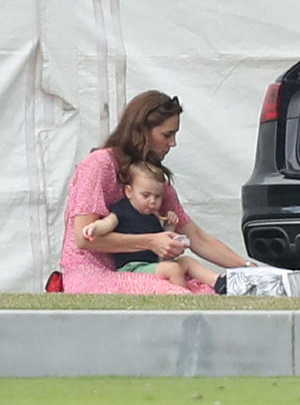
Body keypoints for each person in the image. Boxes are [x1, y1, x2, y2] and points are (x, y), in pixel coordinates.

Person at [58, 90, 251, 294]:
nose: (173, 143)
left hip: (139, 271)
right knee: (177, 294)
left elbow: (196, 237)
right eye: (167, 135)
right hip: (92, 274)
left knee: (206, 292)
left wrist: (248, 268)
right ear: (141, 131)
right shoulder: (99, 164)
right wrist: (151, 241)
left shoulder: (153, 180)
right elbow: (84, 238)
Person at [81, 161, 226, 292]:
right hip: (132, 268)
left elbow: (162, 242)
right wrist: (95, 227)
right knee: (173, 269)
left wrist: (170, 226)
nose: (152, 201)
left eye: (158, 197)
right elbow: (108, 223)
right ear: (129, 192)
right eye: (146, 195)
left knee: (187, 261)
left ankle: (220, 282)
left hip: (153, 264)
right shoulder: (122, 209)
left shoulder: (154, 215)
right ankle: (184, 297)